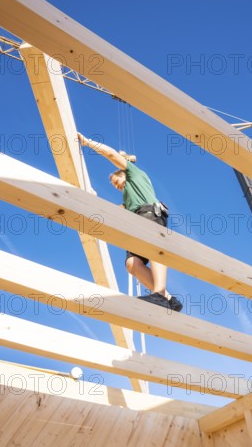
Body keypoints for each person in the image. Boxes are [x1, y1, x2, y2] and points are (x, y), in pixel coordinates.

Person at [77, 132, 182, 312]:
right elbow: (115, 212)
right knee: (132, 263)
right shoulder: (128, 201)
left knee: (154, 248)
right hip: (138, 221)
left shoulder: (135, 173)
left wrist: (88, 143)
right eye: (116, 187)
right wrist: (94, 201)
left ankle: (159, 293)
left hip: (149, 213)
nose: (118, 187)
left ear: (125, 173)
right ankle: (168, 298)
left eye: (118, 182)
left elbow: (110, 154)